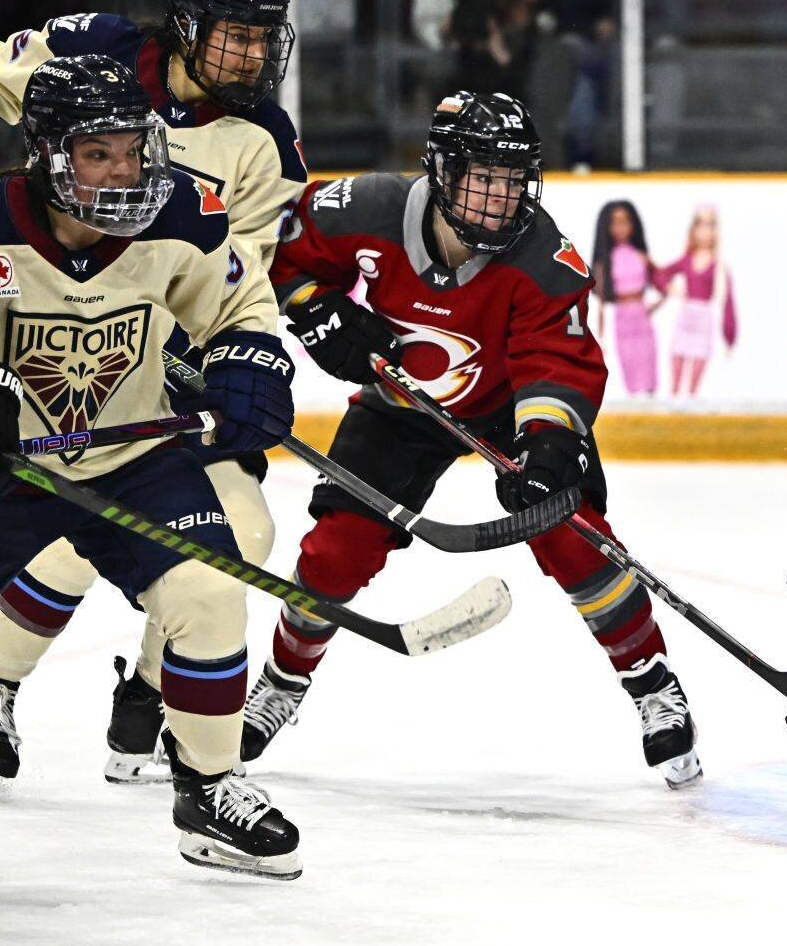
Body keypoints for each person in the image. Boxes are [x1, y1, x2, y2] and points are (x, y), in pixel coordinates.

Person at [244, 90, 701, 789]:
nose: (499, 197)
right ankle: (283, 680)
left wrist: (549, 442)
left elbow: (558, 361)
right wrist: (316, 311)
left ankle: (650, 683)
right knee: (336, 551)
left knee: (574, 534)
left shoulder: (545, 258)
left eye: (512, 180)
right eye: (482, 177)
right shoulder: (365, 209)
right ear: (442, 171)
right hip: (399, 403)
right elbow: (280, 253)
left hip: (506, 409)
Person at [0, 0, 307, 785]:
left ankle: (158, 699)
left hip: (156, 376)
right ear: (189, 23)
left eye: (265, 37)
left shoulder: (262, 141)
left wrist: (237, 360)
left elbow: (240, 281)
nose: (254, 55)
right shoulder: (96, 52)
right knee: (67, 529)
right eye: (237, 34)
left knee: (238, 541)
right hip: (47, 359)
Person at [655, 204, 735, 397]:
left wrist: (729, 334)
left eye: (710, 225)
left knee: (697, 368)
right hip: (686, 314)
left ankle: (690, 400)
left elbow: (728, 303)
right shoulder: (687, 260)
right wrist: (670, 288)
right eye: (701, 225)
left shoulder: (719, 265)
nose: (705, 231)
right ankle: (673, 400)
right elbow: (661, 274)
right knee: (677, 362)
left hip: (704, 316)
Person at [590, 199, 660, 396]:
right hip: (622, 319)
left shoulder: (640, 256)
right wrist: (600, 338)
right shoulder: (605, 263)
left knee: (648, 362)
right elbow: (601, 306)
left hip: (642, 318)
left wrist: (655, 306)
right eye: (615, 222)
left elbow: (663, 282)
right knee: (628, 361)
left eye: (625, 221)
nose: (620, 227)